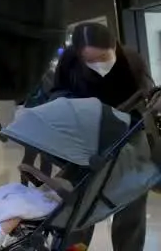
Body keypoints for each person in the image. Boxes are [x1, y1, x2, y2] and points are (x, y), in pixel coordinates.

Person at [54, 22, 151, 251]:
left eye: (104, 57)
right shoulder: (69, 61)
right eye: (91, 60)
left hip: (129, 140)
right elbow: (57, 93)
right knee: (81, 207)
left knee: (130, 205)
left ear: (114, 47)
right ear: (78, 55)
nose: (99, 65)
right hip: (85, 143)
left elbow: (148, 102)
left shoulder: (131, 60)